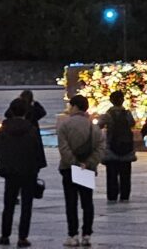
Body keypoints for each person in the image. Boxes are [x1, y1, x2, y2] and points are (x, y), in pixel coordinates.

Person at [55, 94, 103, 248]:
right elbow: (100, 148)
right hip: (86, 168)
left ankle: (73, 234)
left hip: (69, 168)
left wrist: (74, 163)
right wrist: (88, 163)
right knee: (87, 202)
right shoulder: (93, 127)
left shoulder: (65, 125)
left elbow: (63, 148)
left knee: (71, 203)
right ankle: (87, 234)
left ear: (75, 106)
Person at [0, 96, 41, 247]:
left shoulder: (3, 130)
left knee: (8, 204)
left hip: (10, 172)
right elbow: (38, 151)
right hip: (28, 171)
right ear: (26, 112)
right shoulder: (31, 130)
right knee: (27, 205)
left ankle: (5, 235)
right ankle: (22, 237)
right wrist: (37, 168)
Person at [100, 89, 136, 202]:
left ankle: (112, 195)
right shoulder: (127, 113)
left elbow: (100, 125)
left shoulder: (108, 114)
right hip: (126, 148)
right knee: (125, 174)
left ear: (111, 101)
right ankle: (125, 195)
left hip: (112, 148)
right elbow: (132, 123)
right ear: (123, 100)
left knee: (112, 174)